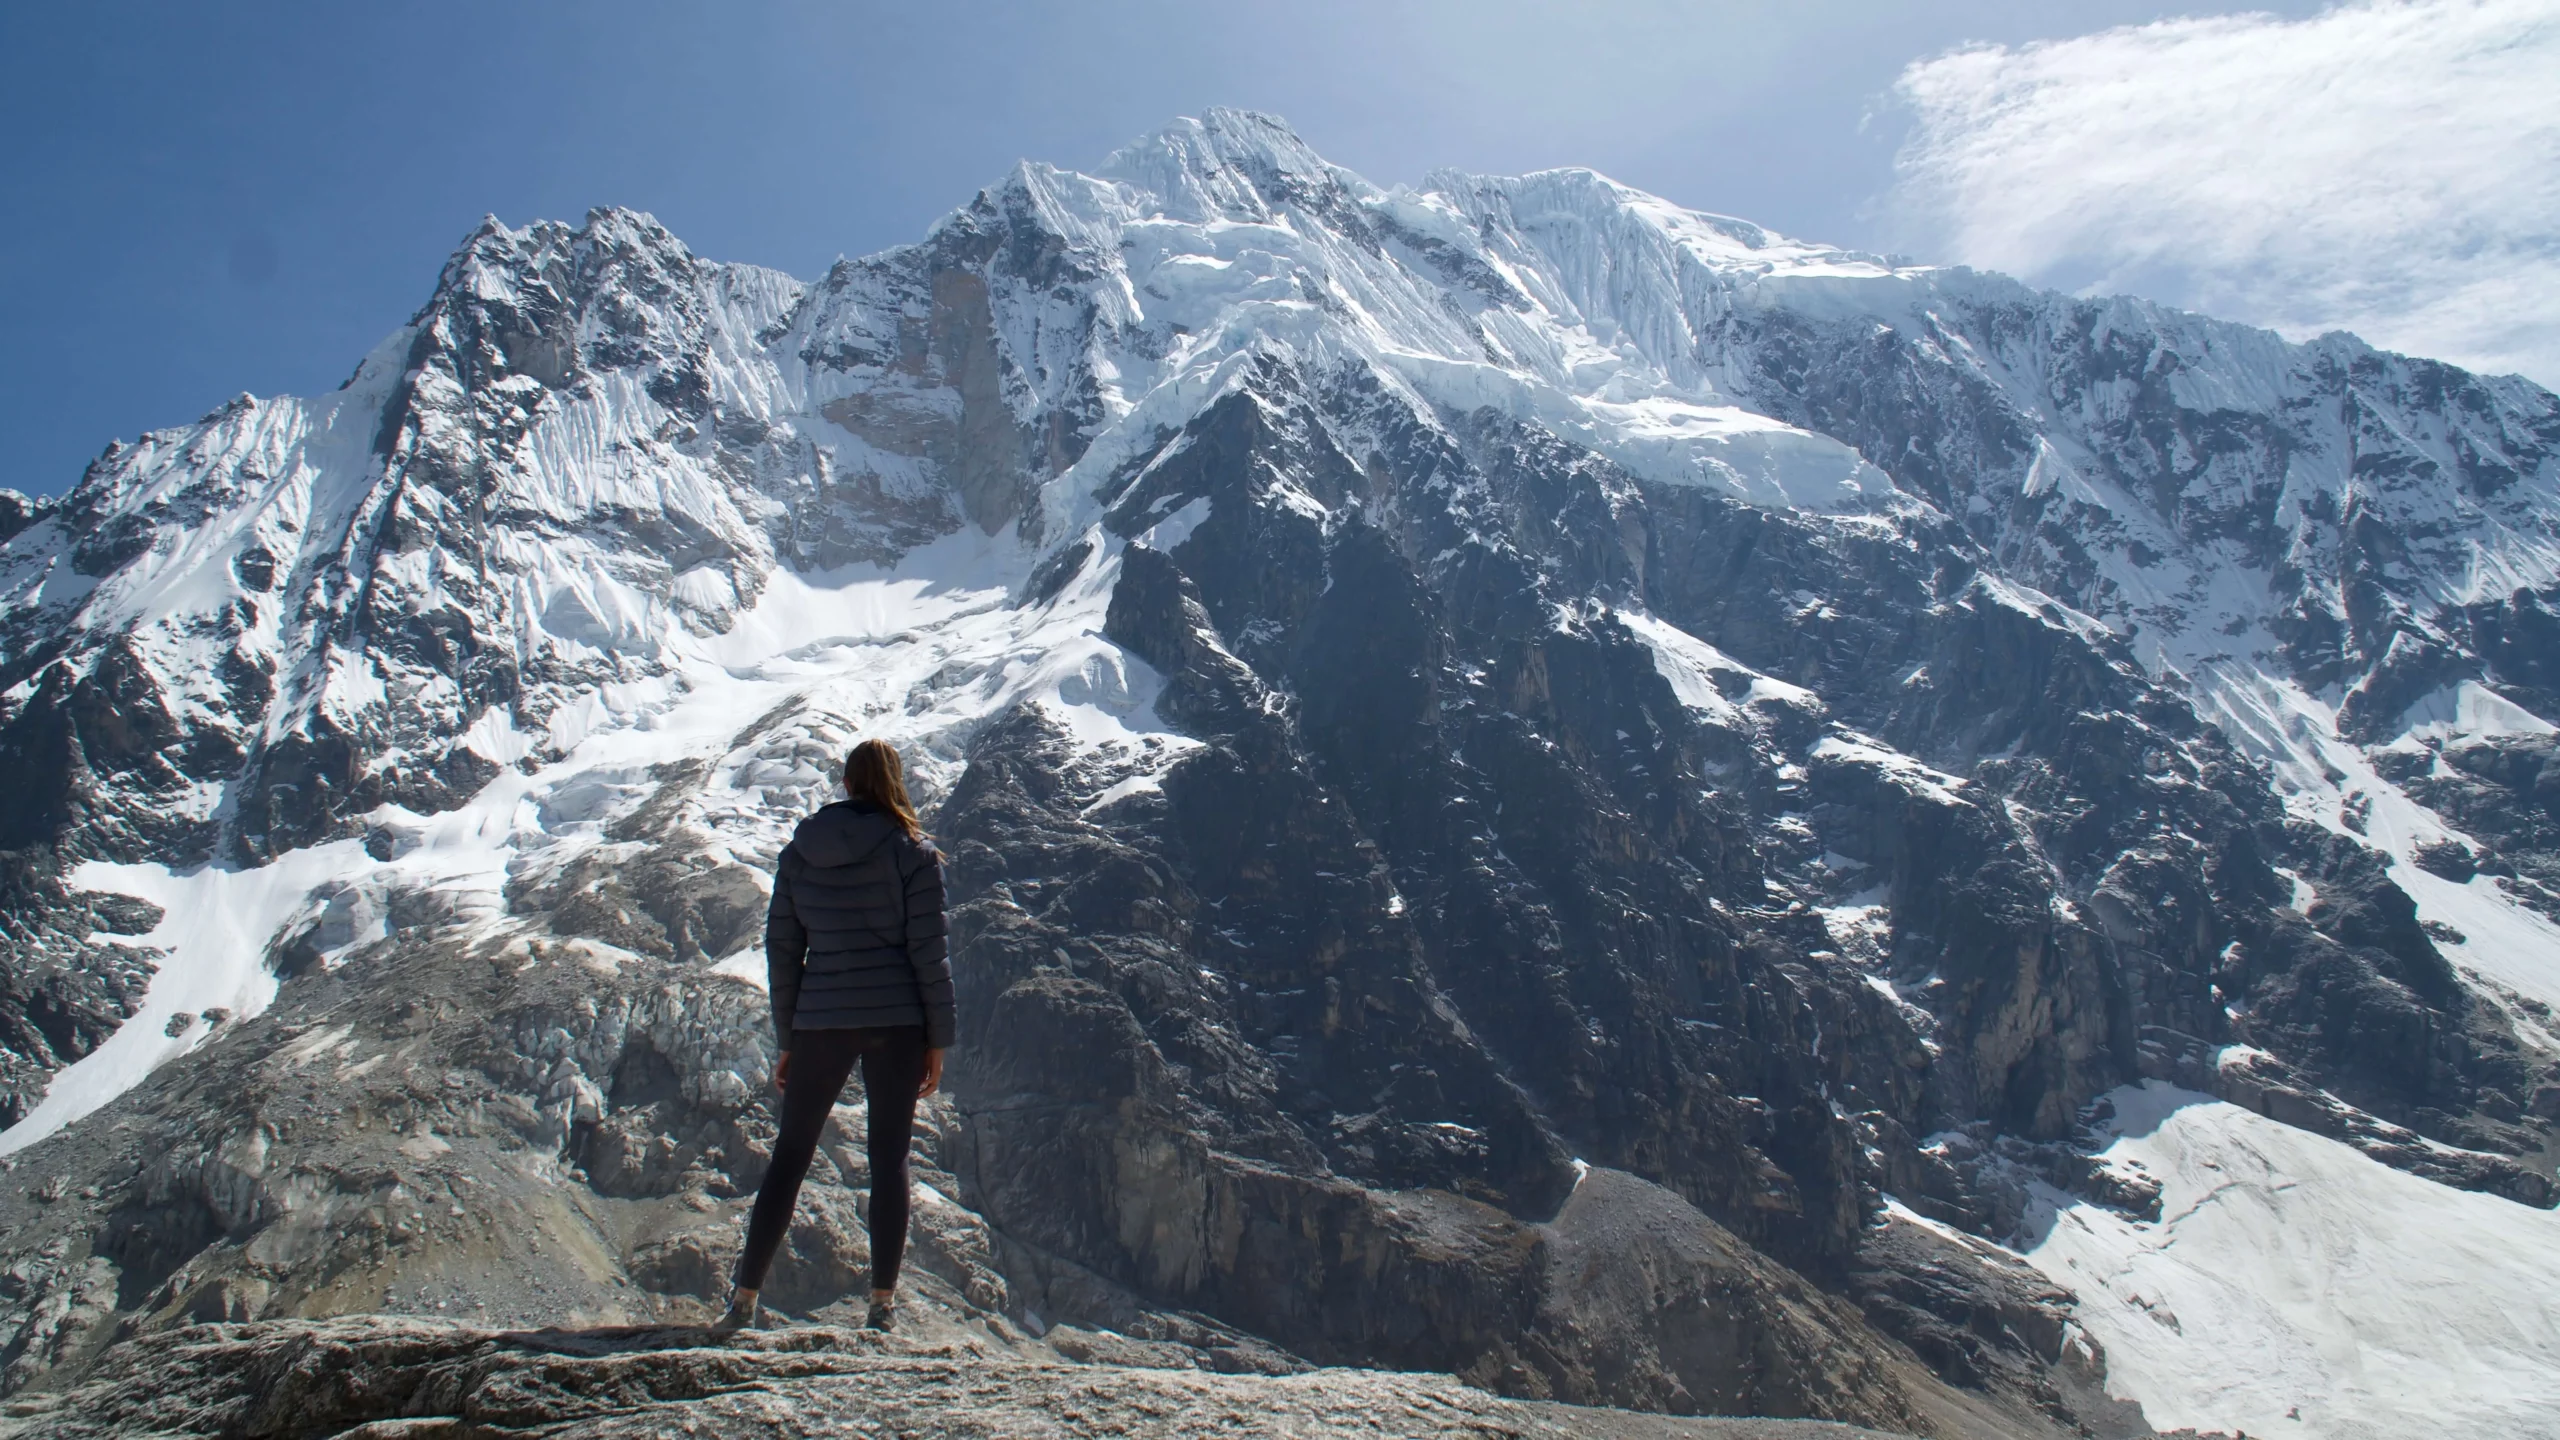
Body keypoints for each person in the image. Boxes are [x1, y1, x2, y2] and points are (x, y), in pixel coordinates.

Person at [713, 738, 953, 1336]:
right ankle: (881, 1305)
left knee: (790, 1156)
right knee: (888, 1158)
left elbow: (785, 950)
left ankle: (743, 1300)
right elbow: (930, 956)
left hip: (821, 1018)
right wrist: (938, 1039)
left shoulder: (800, 854)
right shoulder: (915, 856)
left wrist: (789, 1036)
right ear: (895, 781)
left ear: (846, 783)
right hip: (896, 1020)